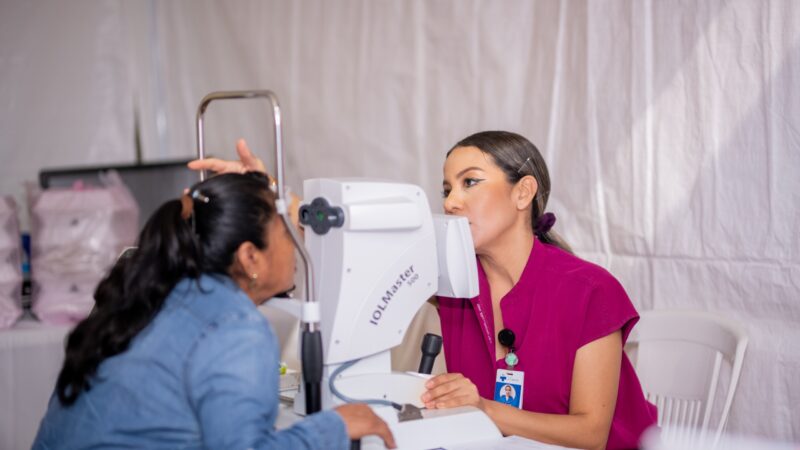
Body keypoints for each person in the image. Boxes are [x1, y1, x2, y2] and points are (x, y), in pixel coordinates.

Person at [189, 132, 658, 450]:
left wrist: (482, 406)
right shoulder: (452, 277)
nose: (451, 202)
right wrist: (267, 193)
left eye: (470, 183)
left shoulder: (590, 290)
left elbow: (591, 432)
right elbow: (348, 238)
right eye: (446, 188)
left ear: (523, 193)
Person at [32, 172, 395, 450]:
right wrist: (334, 426)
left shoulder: (152, 289)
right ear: (250, 256)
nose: (297, 243)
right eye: (286, 233)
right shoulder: (235, 327)